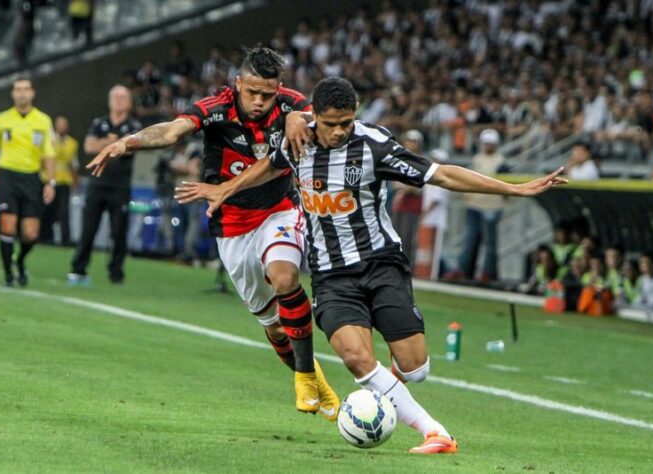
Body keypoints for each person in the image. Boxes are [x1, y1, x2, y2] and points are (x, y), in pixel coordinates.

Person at [176, 77, 566, 454]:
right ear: (316, 117)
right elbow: (270, 166)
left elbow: (440, 174)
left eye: (346, 123)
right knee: (356, 357)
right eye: (331, 124)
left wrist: (514, 188)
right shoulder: (298, 141)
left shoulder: (374, 145)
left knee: (416, 369)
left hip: (381, 264)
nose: (339, 132)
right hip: (330, 274)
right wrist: (224, 189)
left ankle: (391, 385)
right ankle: (435, 432)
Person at [85, 47, 339, 420]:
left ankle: (304, 376)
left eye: (267, 95)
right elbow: (171, 131)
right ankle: (317, 380)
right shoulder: (216, 108)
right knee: (272, 325)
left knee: (285, 276)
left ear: (278, 89)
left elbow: (321, 115)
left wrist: (301, 117)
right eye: (251, 92)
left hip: (278, 211)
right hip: (232, 226)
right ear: (237, 84)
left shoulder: (291, 105)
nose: (258, 101)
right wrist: (127, 142)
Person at [0, 77, 56, 287]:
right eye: (17, 89)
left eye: (25, 89)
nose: (22, 93)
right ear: (13, 94)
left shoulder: (43, 121)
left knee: (30, 233)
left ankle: (20, 260)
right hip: (7, 177)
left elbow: (49, 154)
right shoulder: (1, 120)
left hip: (32, 178)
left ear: (33, 93)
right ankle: (8, 275)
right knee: (7, 226)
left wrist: (50, 182)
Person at [69, 85, 142, 284]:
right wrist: (116, 143)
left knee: (119, 232)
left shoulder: (134, 125)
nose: (119, 100)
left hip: (120, 187)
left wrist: (108, 144)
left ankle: (116, 273)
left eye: (123, 97)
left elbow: (132, 148)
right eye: (115, 97)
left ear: (129, 102)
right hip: (97, 184)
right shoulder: (99, 122)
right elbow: (88, 146)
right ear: (109, 101)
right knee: (88, 229)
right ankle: (78, 269)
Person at [458, 128, 507, 282]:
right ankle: (467, 270)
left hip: (491, 205)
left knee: (490, 243)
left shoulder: (500, 162)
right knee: (471, 240)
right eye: (486, 143)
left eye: (490, 144)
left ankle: (489, 272)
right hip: (474, 204)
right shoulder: (477, 159)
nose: (488, 146)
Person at [40, 116, 78, 246]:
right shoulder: (49, 140)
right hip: (48, 179)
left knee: (64, 212)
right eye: (59, 124)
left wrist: (74, 182)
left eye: (64, 124)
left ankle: (65, 239)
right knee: (47, 210)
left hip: (64, 181)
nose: (62, 127)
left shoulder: (72, 143)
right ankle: (45, 236)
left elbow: (73, 164)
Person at [414, 149, 450, 279]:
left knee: (434, 250)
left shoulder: (441, 176)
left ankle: (432, 275)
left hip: (436, 218)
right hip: (429, 218)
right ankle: (426, 273)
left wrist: (424, 213)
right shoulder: (431, 176)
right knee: (426, 249)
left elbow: (436, 200)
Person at [391, 129, 424, 264]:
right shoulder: (401, 159)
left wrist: (404, 188)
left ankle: (407, 265)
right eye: (409, 140)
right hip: (400, 203)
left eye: (414, 141)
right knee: (395, 235)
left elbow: (418, 186)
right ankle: (394, 264)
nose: (411, 144)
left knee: (407, 236)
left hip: (412, 204)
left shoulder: (420, 161)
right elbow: (395, 182)